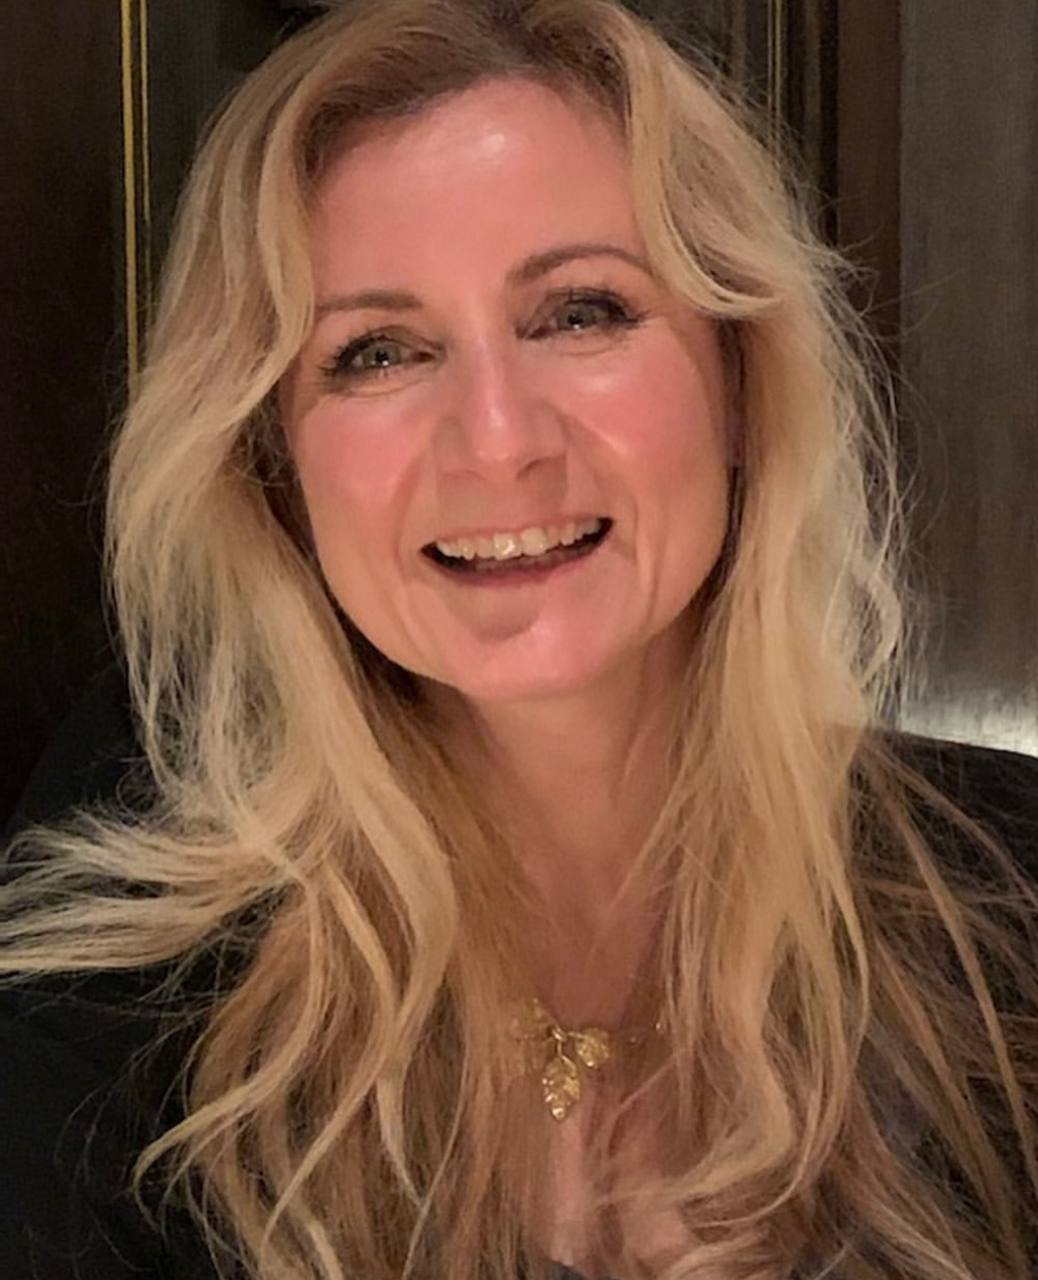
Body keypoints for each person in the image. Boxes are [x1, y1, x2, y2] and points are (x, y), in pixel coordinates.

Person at [1, 0, 1036, 1277]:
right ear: (276, 468)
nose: (498, 441)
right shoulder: (106, 1035)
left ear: (738, 379)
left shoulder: (1011, 906)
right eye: (377, 352)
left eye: (580, 313)